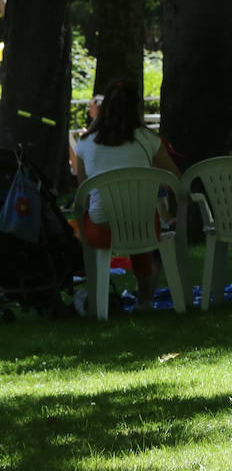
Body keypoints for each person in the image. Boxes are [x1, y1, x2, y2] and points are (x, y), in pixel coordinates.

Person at [71, 80, 181, 311]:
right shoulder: (149, 140)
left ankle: (94, 292)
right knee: (141, 223)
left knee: (103, 218)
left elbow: (83, 191)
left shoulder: (84, 143)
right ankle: (146, 298)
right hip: (143, 226)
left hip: (101, 229)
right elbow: (175, 178)